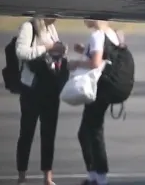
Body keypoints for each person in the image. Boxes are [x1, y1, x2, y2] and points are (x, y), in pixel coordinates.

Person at [69, 20, 123, 185]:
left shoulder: (97, 35)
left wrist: (76, 63)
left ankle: (99, 178)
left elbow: (96, 62)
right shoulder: (111, 34)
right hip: (105, 87)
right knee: (89, 131)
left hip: (98, 89)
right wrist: (83, 50)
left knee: (92, 132)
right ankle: (95, 176)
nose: (84, 19)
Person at [15, 17, 67, 185]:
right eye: (54, 14)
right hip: (32, 88)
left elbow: (55, 53)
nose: (57, 18)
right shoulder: (29, 26)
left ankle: (48, 176)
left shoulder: (51, 28)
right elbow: (21, 52)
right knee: (27, 132)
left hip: (51, 87)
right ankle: (22, 176)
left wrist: (60, 50)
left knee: (49, 134)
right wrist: (48, 47)